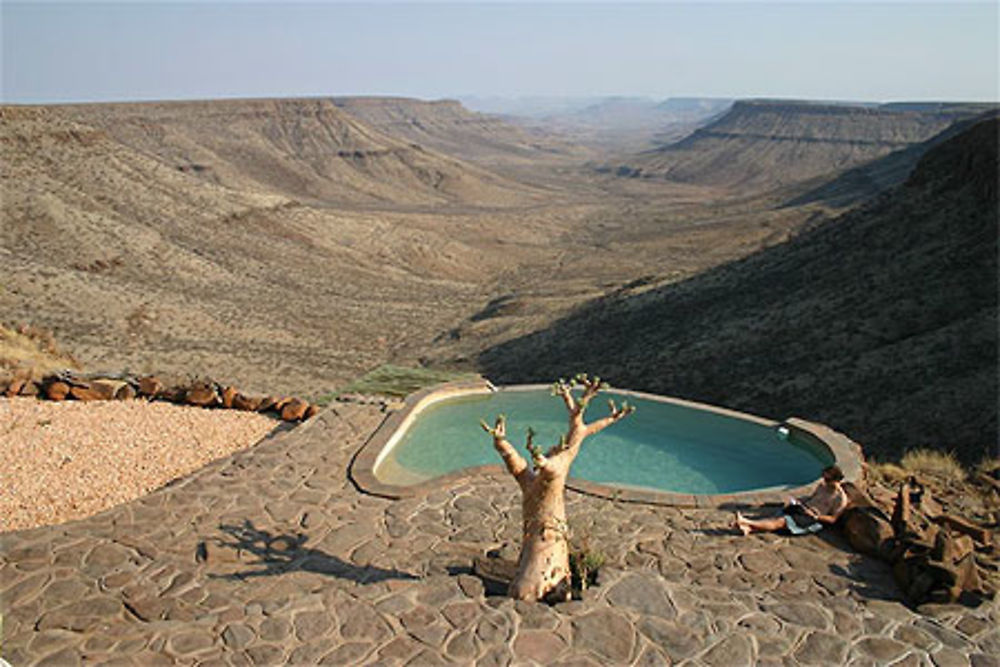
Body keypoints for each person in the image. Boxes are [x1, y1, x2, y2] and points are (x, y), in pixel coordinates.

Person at [734, 465, 848, 536]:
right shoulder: (822, 486)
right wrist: (799, 500)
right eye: (824, 477)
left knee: (781, 522)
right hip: (803, 509)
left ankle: (746, 522)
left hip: (813, 519)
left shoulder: (840, 498)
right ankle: (749, 529)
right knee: (776, 517)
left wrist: (815, 516)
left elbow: (833, 519)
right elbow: (812, 498)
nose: (824, 481)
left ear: (836, 480)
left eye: (827, 479)